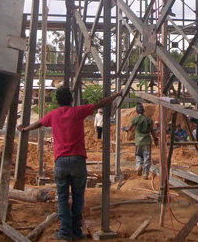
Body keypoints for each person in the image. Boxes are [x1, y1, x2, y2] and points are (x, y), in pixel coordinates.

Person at [18, 87, 121, 241]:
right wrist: (117, 94)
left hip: (60, 161)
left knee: (62, 198)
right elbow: (100, 103)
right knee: (78, 198)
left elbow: (39, 123)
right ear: (71, 100)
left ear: (57, 101)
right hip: (78, 161)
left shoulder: (53, 115)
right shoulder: (78, 111)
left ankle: (65, 233)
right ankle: (77, 232)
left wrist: (24, 128)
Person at [125, 103, 158, 180]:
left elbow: (129, 129)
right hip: (147, 141)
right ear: (144, 111)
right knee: (147, 157)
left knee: (138, 154)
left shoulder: (135, 119)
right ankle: (145, 174)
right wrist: (156, 141)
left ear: (137, 111)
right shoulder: (149, 120)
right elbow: (152, 131)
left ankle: (139, 165)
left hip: (138, 141)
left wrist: (125, 129)